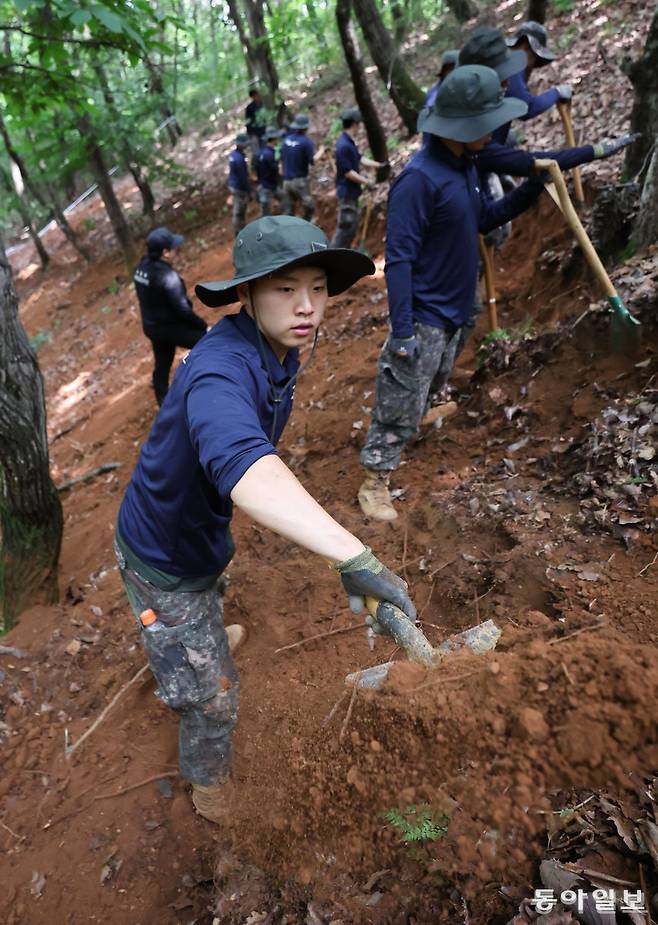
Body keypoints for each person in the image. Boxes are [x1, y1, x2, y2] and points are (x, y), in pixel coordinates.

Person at [115, 215, 416, 823]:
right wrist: (353, 555)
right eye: (285, 288)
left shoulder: (275, 346)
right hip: (160, 555)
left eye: (318, 288)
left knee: (210, 583)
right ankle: (208, 782)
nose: (306, 306)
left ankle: (198, 639)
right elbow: (244, 465)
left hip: (198, 533)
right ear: (247, 293)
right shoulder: (219, 369)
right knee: (213, 698)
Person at [358, 65, 548, 522]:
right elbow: (398, 258)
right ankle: (374, 481)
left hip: (459, 306)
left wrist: (531, 191)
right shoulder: (418, 180)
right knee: (400, 396)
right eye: (485, 125)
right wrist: (401, 331)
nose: (493, 134)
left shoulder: (465, 166)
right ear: (461, 128)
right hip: (424, 314)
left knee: (434, 381)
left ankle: (416, 422)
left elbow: (482, 219)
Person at [133, 228, 207, 406]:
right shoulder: (168, 277)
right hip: (170, 328)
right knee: (208, 343)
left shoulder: (141, 268)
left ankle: (162, 402)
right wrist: (202, 326)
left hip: (152, 327)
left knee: (162, 363)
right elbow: (183, 309)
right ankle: (211, 384)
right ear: (165, 253)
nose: (177, 251)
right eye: (174, 248)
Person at [494, 20, 571, 145]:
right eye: (534, 57)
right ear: (526, 47)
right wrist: (557, 93)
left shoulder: (501, 60)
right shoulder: (512, 65)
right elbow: (526, 108)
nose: (533, 64)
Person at [330, 108, 387, 249]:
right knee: (345, 229)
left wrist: (379, 165)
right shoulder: (343, 146)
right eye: (359, 124)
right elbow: (347, 172)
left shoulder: (348, 142)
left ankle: (341, 258)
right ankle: (333, 258)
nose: (359, 127)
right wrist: (367, 182)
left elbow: (360, 159)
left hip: (351, 193)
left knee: (349, 229)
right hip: (347, 193)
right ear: (355, 124)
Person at [280, 114, 315, 221]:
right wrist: (322, 152)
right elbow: (312, 161)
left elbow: (281, 159)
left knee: (289, 211)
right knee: (309, 206)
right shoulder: (306, 142)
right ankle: (306, 226)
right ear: (306, 127)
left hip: (286, 182)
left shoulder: (286, 140)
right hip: (299, 182)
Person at [228, 134, 251, 237]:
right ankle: (239, 232)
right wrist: (248, 190)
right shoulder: (239, 159)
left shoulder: (233, 155)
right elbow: (243, 177)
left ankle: (240, 229)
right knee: (239, 210)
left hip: (233, 185)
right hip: (239, 187)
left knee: (239, 209)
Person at [256, 126, 282, 217]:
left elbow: (256, 169)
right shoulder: (270, 154)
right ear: (274, 140)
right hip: (268, 186)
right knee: (266, 213)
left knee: (285, 200)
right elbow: (276, 170)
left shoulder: (260, 153)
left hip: (266, 184)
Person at [245, 88, 266, 166]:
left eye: (257, 94)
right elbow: (248, 122)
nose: (257, 96)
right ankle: (254, 169)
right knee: (256, 153)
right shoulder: (250, 107)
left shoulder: (262, 104)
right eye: (255, 95)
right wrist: (251, 135)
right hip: (254, 134)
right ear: (252, 97)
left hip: (263, 131)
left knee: (264, 151)